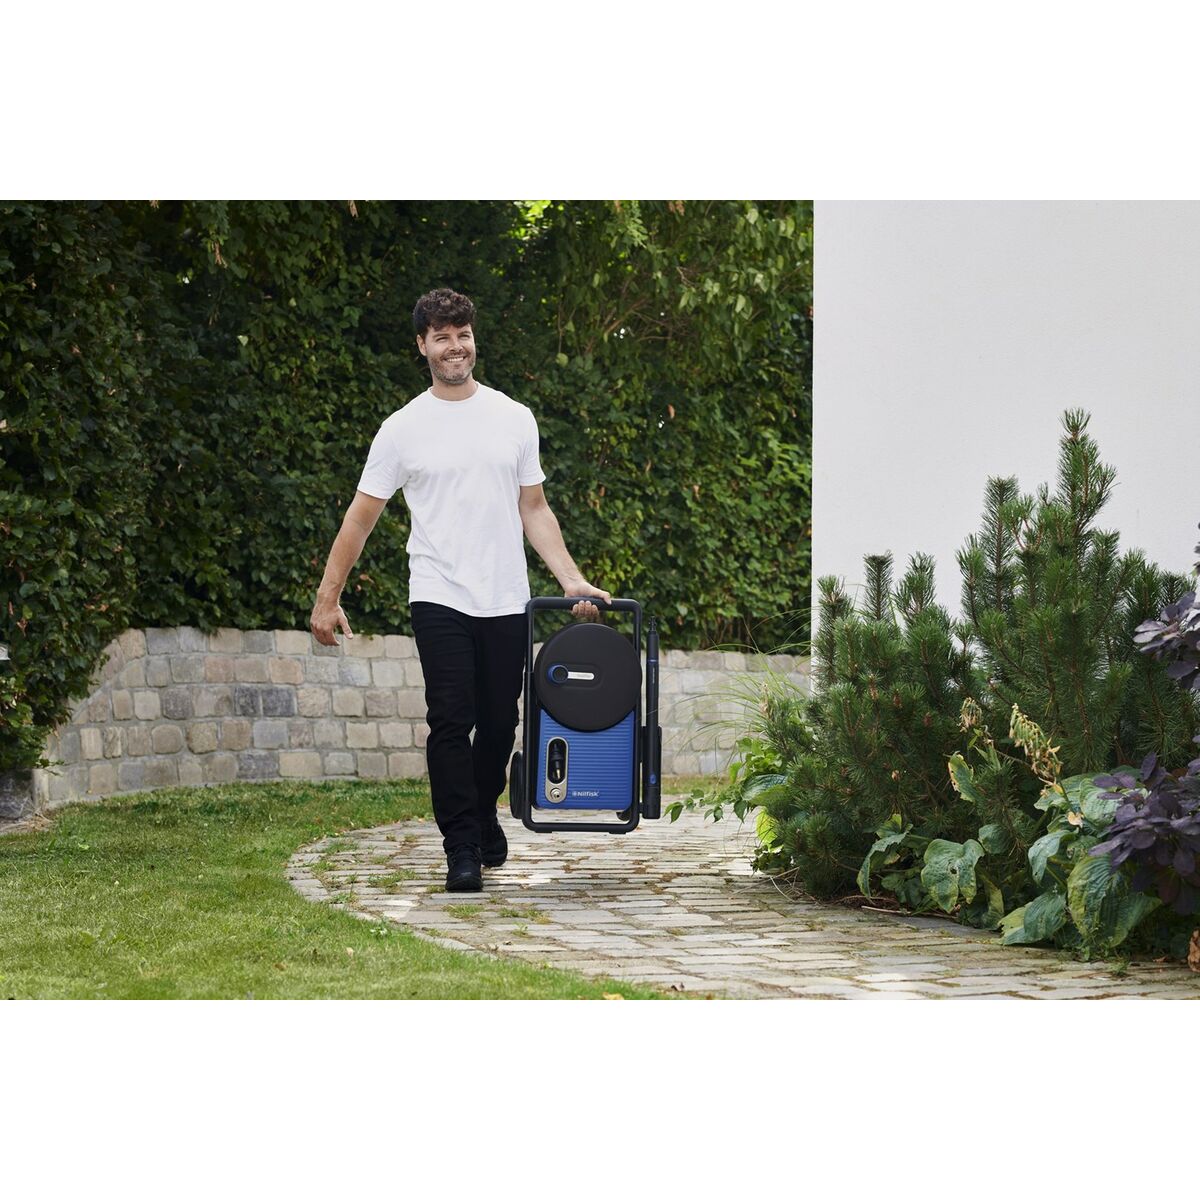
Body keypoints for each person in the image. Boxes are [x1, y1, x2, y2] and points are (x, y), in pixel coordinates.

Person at [309, 287, 610, 892]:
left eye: (463, 334)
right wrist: (327, 596)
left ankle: (481, 810)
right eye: (442, 337)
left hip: (504, 596)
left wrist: (571, 578)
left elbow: (534, 508)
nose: (455, 346)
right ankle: (462, 846)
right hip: (438, 593)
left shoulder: (514, 417)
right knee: (451, 720)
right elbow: (361, 518)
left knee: (500, 722)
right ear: (422, 345)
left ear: (474, 339)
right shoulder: (402, 429)